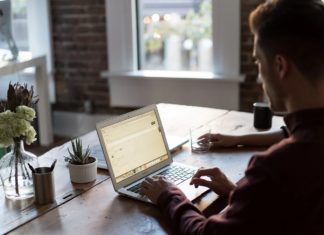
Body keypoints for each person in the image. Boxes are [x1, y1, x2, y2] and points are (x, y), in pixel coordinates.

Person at [140, 0, 324, 234]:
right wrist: (239, 192)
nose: (259, 78)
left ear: (280, 66)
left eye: (258, 61)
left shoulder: (275, 168)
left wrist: (168, 195)